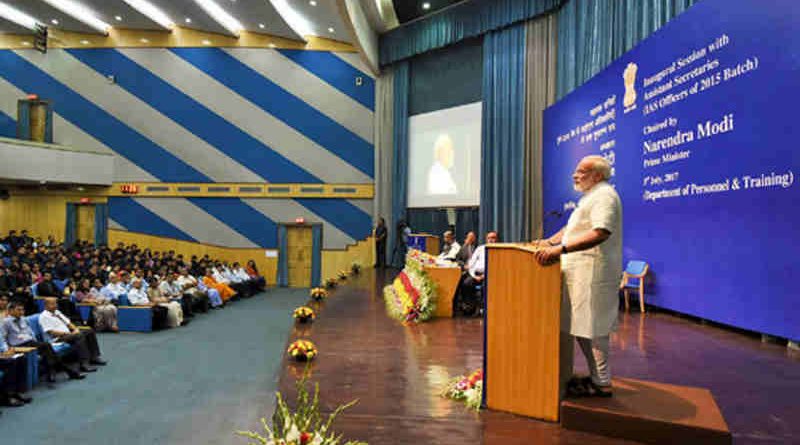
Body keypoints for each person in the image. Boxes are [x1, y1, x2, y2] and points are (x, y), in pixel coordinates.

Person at [534, 155, 622, 398]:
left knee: (594, 328)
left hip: (594, 274)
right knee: (582, 327)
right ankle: (596, 378)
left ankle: (602, 382)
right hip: (580, 274)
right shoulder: (590, 197)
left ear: (597, 175)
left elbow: (601, 232)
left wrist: (559, 250)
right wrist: (547, 242)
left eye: (581, 171)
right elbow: (572, 230)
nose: (575, 175)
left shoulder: (605, 196)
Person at [3, 301, 84, 381]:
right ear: (11, 311)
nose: (21, 312)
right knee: (46, 347)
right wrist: (8, 349)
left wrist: (35, 340)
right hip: (19, 345)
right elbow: (3, 337)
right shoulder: (6, 322)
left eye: (22, 310)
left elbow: (30, 333)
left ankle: (56, 371)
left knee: (47, 350)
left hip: (30, 342)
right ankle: (67, 371)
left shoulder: (23, 319)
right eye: (18, 310)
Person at [39, 298, 107, 373]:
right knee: (78, 336)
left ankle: (94, 357)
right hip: (58, 338)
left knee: (89, 331)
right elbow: (51, 332)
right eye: (52, 304)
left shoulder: (57, 312)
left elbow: (68, 323)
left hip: (69, 334)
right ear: (46, 305)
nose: (55, 306)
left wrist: (75, 329)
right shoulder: (43, 316)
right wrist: (69, 333)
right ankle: (84, 364)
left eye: (55, 303)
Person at [457, 231, 499, 316]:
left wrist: (485, 276)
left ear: (497, 240)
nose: (491, 240)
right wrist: (474, 275)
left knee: (485, 287)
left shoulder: (499, 250)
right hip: (475, 274)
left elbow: (497, 267)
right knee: (466, 284)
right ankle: (470, 307)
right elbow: (471, 264)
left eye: (493, 238)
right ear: (486, 239)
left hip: (490, 275)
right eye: (489, 238)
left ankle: (484, 309)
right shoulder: (480, 248)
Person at [0, 331, 33, 408]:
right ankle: (8, 396)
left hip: (3, 355)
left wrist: (8, 350)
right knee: (11, 363)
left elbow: (3, 344)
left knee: (21, 359)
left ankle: (18, 392)